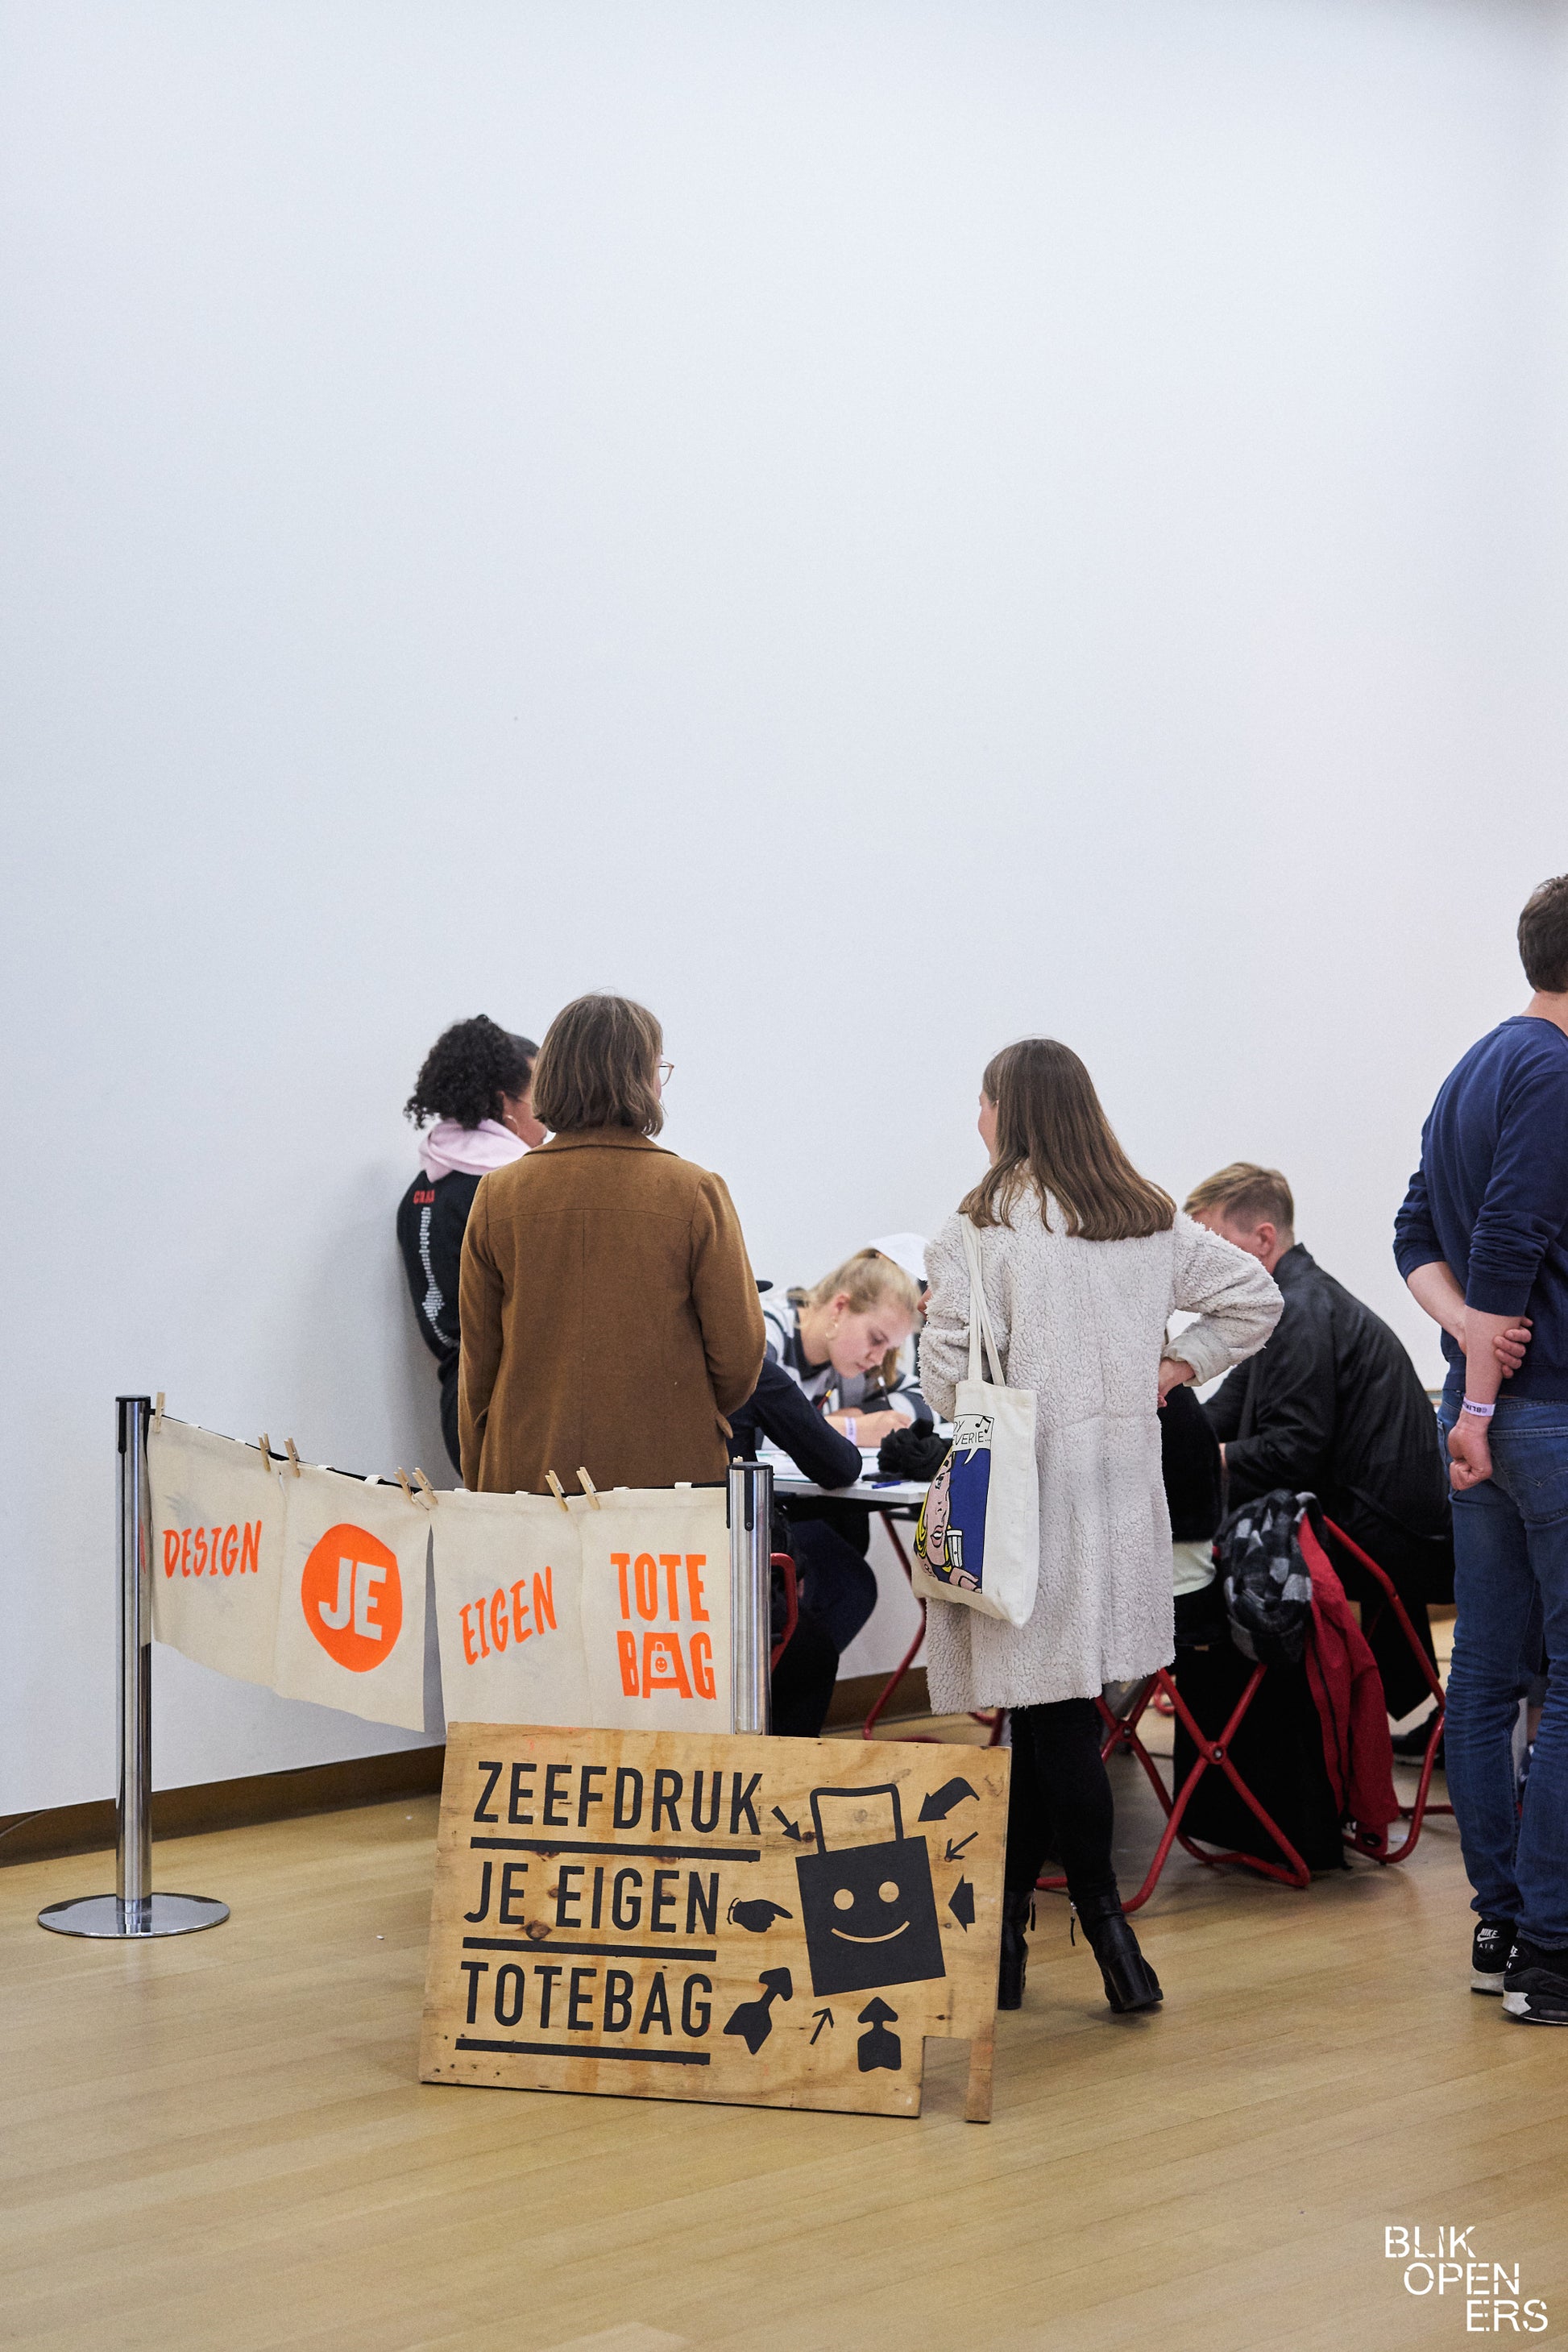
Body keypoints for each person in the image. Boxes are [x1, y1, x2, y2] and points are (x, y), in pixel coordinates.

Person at [920, 1039, 1281, 2016]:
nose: (976, 1118)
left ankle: (1091, 1928)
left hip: (1019, 1504)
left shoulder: (974, 1230)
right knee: (1057, 1714)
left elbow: (946, 1388)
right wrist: (1170, 1369)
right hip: (1119, 1507)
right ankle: (1042, 1940)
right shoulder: (1145, 1217)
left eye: (982, 1100)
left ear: (1010, 1112)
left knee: (1052, 1720)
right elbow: (1255, 1294)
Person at [1395, 873, 1568, 2024]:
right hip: (1537, 1412)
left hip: (1489, 1412)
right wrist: (1479, 1391)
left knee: (1484, 1668)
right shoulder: (1554, 1071)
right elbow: (1508, 1230)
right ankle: (1552, 1946)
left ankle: (1500, 1919)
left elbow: (1412, 1231)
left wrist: (1460, 1343)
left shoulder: (1473, 1064)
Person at [1184, 1162, 1463, 1724]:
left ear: (1264, 1239)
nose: (1197, 1269)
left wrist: (1191, 1459)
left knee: (1199, 1560)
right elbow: (1221, 1417)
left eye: (1209, 1246)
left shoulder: (1298, 1310)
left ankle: (1255, 1742)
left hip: (1390, 1541)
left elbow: (1293, 1453)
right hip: (1391, 1527)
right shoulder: (1284, 1304)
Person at [458, 993, 765, 1494]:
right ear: (640, 1079)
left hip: (528, 1477)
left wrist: (481, 1478)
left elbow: (479, 1363)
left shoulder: (498, 1195)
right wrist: (678, 1406)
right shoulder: (694, 1192)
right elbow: (740, 1355)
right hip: (666, 1482)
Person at [728, 1247, 927, 1736]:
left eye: (890, 1349)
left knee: (844, 1557)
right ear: (839, 1308)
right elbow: (769, 1423)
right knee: (848, 1582)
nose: (878, 1357)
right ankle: (772, 1710)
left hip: (788, 1506)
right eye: (877, 1339)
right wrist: (855, 1428)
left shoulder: (849, 1362)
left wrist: (839, 1423)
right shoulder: (769, 1328)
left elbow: (921, 1405)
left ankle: (775, 1701)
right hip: (748, 1515)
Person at [397, 1016, 542, 1474]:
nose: (550, 1116)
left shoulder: (424, 1185)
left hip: (458, 1406)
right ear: (507, 1106)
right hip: (516, 1407)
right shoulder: (510, 1190)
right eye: (541, 1098)